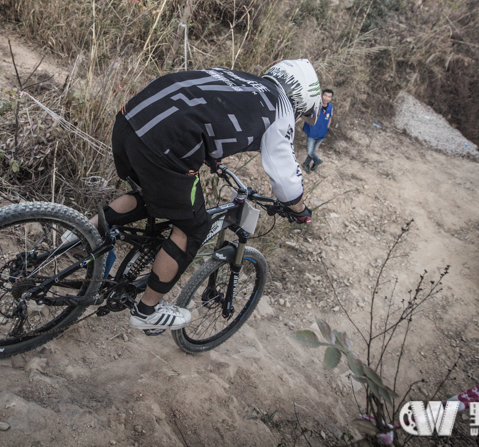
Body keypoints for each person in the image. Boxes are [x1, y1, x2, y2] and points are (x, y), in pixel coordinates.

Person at [85, 60, 322, 332]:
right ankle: (147, 311)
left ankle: (80, 234)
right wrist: (298, 209)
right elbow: (285, 179)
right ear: (301, 100)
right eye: (303, 113)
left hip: (130, 120)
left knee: (151, 195)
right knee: (193, 228)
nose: (298, 118)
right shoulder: (280, 109)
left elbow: (204, 110)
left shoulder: (240, 79)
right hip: (164, 145)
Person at [300, 89, 333, 173]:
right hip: (312, 133)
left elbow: (330, 118)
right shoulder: (315, 105)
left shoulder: (330, 107)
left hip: (322, 134)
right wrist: (293, 122)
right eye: (325, 95)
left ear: (331, 98)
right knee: (310, 151)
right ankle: (317, 161)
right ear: (322, 95)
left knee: (313, 151)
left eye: (329, 97)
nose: (326, 98)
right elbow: (304, 116)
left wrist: (327, 128)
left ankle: (306, 164)